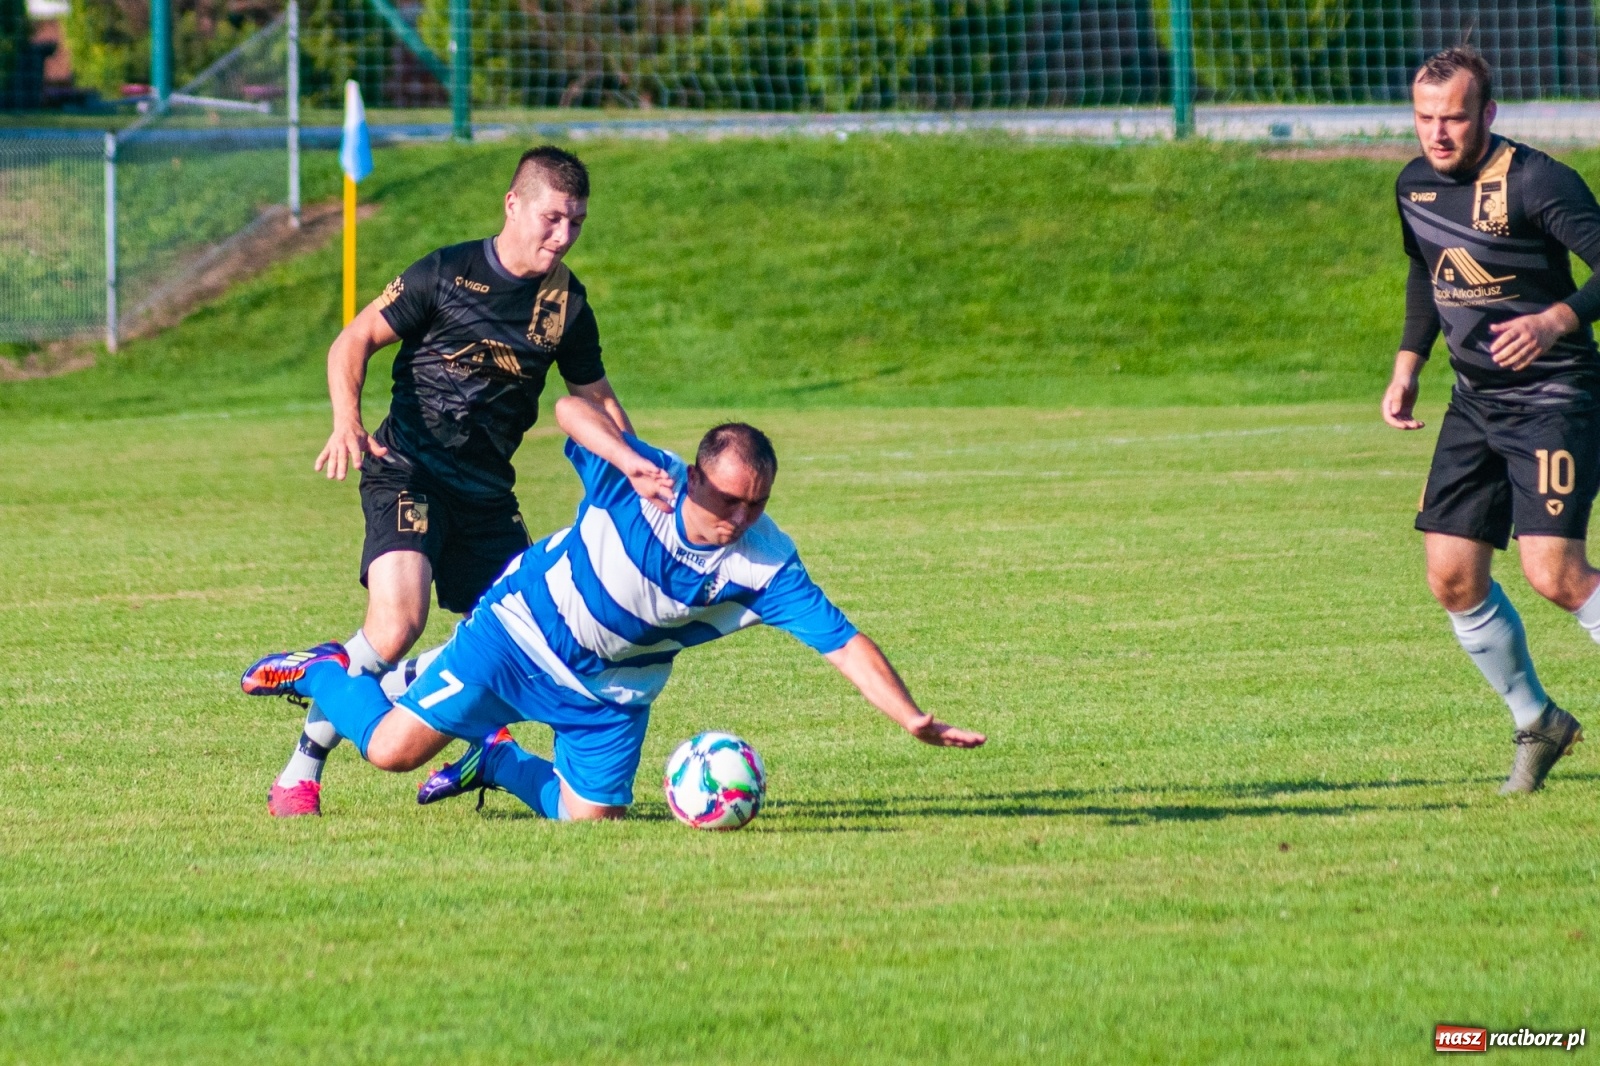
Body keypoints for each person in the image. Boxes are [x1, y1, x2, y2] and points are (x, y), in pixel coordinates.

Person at [242, 404, 986, 820]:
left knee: (589, 819)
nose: (741, 514)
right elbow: (570, 410)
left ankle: (498, 761)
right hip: (518, 635)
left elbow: (843, 642)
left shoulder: (764, 562)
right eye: (729, 497)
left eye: (756, 501)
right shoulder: (642, 479)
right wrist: (627, 457)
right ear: (695, 475)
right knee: (389, 752)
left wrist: (912, 718)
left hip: (610, 692)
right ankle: (329, 671)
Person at [267, 145, 633, 818]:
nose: (563, 236)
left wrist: (640, 474)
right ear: (513, 205)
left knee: (530, 641)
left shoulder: (563, 304)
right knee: (398, 623)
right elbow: (351, 343)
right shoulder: (446, 272)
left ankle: (411, 704)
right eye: (552, 218)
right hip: (405, 470)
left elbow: (598, 399)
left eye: (576, 223)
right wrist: (346, 420)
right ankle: (301, 768)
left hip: (487, 496)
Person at [1382, 47, 1600, 792]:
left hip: (1553, 397)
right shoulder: (1414, 185)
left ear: (1488, 114)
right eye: (1425, 118)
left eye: (1454, 119)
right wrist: (1409, 364)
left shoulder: (1539, 181)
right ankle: (1539, 720)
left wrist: (1557, 320)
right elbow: (1427, 268)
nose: (1437, 135)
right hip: (1474, 403)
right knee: (1451, 576)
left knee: (1555, 574)